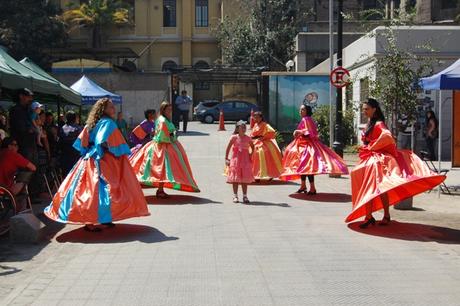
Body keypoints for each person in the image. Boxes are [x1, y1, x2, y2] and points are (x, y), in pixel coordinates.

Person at [44, 98, 150, 232]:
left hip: (89, 159)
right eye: (111, 107)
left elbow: (82, 143)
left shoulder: (91, 123)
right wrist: (111, 152)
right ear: (103, 109)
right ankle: (94, 220)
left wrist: (91, 150)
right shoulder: (108, 123)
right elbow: (104, 141)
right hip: (103, 159)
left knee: (88, 190)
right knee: (102, 190)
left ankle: (99, 219)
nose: (114, 109)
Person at [346, 98, 446, 228]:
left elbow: (387, 136)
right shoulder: (370, 122)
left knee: (379, 188)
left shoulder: (379, 123)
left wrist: (372, 146)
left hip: (378, 160)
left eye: (366, 109)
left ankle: (383, 215)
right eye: (363, 109)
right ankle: (369, 215)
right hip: (371, 159)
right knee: (369, 186)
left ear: (374, 109)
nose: (364, 111)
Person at [130, 101, 200, 198]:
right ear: (163, 110)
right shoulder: (162, 120)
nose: (170, 111)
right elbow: (162, 136)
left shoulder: (163, 119)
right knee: (162, 170)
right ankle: (158, 190)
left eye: (171, 109)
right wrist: (172, 136)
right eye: (168, 109)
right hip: (162, 146)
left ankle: (160, 190)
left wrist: (172, 134)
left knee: (164, 170)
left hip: (165, 145)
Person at [280, 105, 348, 194]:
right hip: (303, 145)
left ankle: (312, 188)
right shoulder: (307, 119)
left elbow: (310, 133)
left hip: (307, 146)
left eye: (303, 109)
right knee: (303, 167)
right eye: (300, 109)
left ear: (307, 111)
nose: (300, 111)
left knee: (307, 167)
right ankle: (304, 186)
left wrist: (298, 132)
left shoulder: (306, 119)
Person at [0, 137, 36, 210]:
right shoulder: (13, 155)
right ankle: (22, 210)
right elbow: (33, 168)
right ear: (9, 146)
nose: (17, 147)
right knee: (24, 179)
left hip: (3, 187)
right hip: (4, 189)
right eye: (15, 145)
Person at [225, 120, 255, 203]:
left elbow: (253, 147)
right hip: (236, 160)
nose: (244, 129)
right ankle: (235, 196)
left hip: (245, 160)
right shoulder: (234, 137)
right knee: (235, 179)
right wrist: (226, 158)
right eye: (242, 127)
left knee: (244, 179)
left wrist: (250, 154)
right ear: (238, 128)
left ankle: (245, 196)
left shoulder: (248, 138)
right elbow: (228, 148)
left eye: (245, 127)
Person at [250, 112, 283, 181]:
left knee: (262, 153)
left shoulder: (265, 125)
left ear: (261, 118)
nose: (255, 118)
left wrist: (264, 137)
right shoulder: (255, 125)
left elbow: (272, 131)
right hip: (254, 142)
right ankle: (253, 174)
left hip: (263, 142)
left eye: (257, 117)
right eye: (254, 117)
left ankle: (266, 174)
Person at [9, 88, 37, 164]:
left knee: (33, 170)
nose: (31, 99)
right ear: (21, 96)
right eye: (29, 96)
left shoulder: (28, 110)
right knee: (27, 171)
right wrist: (32, 129)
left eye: (31, 97)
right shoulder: (16, 110)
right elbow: (22, 128)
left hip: (31, 145)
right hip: (22, 146)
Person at [58, 111, 83, 176]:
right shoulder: (78, 128)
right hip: (75, 156)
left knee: (66, 175)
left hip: (64, 156)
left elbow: (60, 141)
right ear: (74, 118)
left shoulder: (62, 128)